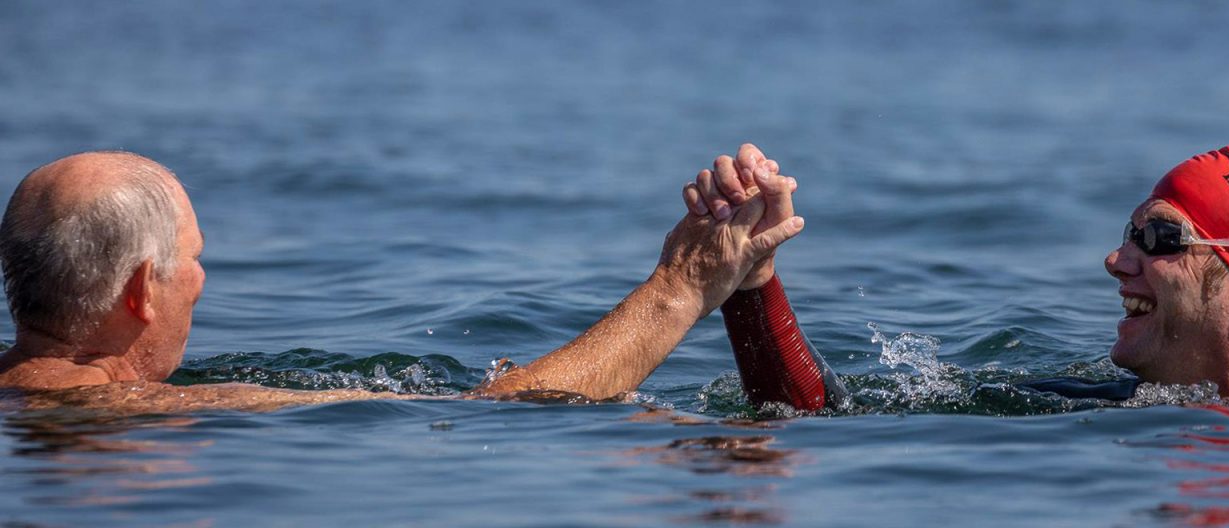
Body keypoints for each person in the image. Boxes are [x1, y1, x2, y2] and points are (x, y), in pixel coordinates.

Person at [0, 150, 802, 413]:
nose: (203, 280)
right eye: (195, 257)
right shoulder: (152, 410)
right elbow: (493, 410)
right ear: (142, 290)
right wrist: (678, 288)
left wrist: (744, 276)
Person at [686, 145, 1229, 412]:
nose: (1117, 260)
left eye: (1159, 239)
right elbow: (825, 419)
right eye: (1129, 234)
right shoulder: (1085, 404)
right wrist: (753, 280)